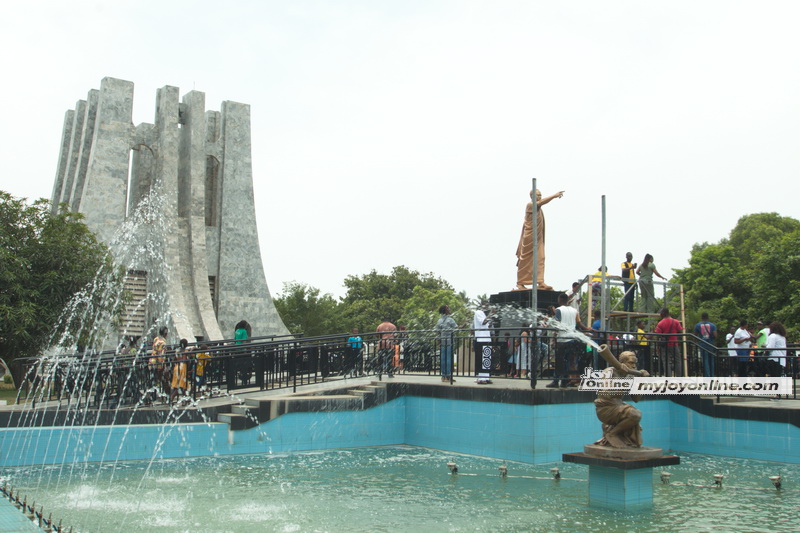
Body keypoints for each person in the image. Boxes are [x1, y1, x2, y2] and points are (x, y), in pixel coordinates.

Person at [594, 347, 650, 448]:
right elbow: (607, 394)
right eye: (630, 363)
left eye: (635, 363)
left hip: (619, 406)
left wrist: (641, 381)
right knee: (635, 414)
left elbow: (636, 399)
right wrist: (624, 380)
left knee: (634, 416)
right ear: (623, 363)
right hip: (605, 409)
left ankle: (616, 434)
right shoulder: (608, 372)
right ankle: (612, 434)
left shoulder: (630, 376)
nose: (633, 366)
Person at [515, 189, 564, 290]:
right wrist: (554, 195)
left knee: (541, 258)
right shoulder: (530, 205)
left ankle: (540, 281)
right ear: (532, 196)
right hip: (529, 238)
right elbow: (541, 203)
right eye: (537, 195)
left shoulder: (539, 209)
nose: (539, 197)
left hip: (538, 238)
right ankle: (520, 283)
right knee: (525, 260)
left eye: (540, 195)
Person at [547, 292, 590, 388]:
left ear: (560, 300)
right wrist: (587, 328)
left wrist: (554, 337)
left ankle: (555, 381)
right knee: (567, 361)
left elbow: (557, 324)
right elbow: (579, 323)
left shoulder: (559, 310)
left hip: (562, 339)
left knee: (559, 361)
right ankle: (565, 381)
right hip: (572, 339)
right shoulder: (575, 311)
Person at [654, 308, 684, 376]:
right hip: (674, 344)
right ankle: (679, 377)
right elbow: (680, 331)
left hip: (664, 345)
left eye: (661, 313)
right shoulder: (676, 322)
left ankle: (668, 378)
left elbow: (658, 335)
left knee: (666, 361)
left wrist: (658, 346)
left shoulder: (660, 323)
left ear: (663, 313)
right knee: (677, 361)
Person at [434, 305, 458, 382]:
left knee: (443, 359)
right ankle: (448, 376)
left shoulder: (439, 320)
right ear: (446, 310)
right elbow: (456, 328)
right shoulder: (450, 320)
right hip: (449, 342)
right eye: (448, 308)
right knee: (448, 359)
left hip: (442, 341)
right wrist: (463, 325)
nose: (450, 309)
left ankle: (443, 376)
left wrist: (439, 342)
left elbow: (437, 331)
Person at [473, 302, 493, 384]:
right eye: (486, 305)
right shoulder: (478, 312)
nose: (488, 307)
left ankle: (486, 377)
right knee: (482, 359)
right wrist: (491, 314)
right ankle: (481, 378)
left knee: (487, 358)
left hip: (486, 338)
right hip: (482, 339)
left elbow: (487, 325)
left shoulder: (483, 314)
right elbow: (483, 322)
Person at [694, 312, 717, 377]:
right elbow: (715, 335)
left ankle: (707, 376)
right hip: (711, 344)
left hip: (702, 344)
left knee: (705, 360)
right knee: (711, 360)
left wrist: (696, 342)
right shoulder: (712, 325)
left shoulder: (698, 325)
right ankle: (712, 375)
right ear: (707, 317)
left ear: (702, 317)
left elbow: (695, 335)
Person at [170, 338, 189, 405]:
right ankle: (172, 398)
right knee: (181, 385)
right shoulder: (186, 351)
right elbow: (187, 361)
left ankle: (185, 399)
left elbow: (173, 360)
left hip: (177, 367)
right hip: (183, 367)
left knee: (177, 384)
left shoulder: (177, 351)